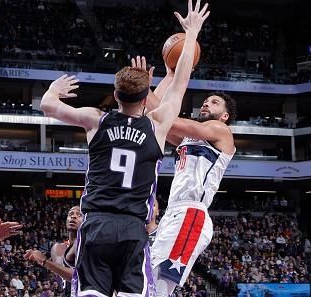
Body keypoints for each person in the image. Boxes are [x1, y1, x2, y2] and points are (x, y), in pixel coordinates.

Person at [39, 0, 209, 295]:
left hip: (96, 226)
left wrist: (55, 89)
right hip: (133, 228)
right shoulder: (157, 124)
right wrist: (192, 33)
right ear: (146, 99)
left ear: (115, 96)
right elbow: (180, 83)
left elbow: (47, 106)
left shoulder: (95, 119)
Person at [146, 68, 236, 297]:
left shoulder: (220, 130)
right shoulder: (189, 138)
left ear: (224, 116)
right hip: (173, 214)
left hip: (191, 213)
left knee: (156, 288)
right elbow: (155, 117)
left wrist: (145, 91)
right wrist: (148, 87)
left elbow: (165, 117)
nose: (206, 104)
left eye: (214, 103)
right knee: (145, 282)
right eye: (205, 101)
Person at [24, 206, 83, 296]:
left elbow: (77, 276)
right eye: (70, 214)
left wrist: (44, 261)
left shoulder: (92, 246)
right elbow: (65, 273)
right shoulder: (58, 248)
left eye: (79, 215)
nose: (73, 216)